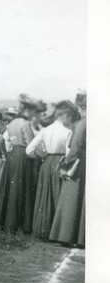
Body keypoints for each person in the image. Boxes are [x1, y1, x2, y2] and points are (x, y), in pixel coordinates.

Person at [27, 101, 79, 240]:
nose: (70, 120)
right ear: (65, 115)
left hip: (47, 163)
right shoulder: (67, 131)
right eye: (70, 117)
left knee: (45, 195)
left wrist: (42, 155)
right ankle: (56, 232)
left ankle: (41, 230)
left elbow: (29, 150)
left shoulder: (45, 130)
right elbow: (69, 153)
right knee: (59, 194)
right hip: (61, 162)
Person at [0, 99, 37, 234]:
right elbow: (30, 142)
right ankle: (21, 224)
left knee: (11, 188)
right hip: (22, 155)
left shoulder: (10, 124)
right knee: (22, 187)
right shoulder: (25, 123)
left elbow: (8, 143)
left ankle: (6, 222)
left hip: (12, 155)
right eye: (31, 111)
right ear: (26, 111)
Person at [49, 94, 86, 247]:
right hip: (84, 164)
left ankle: (66, 236)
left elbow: (75, 148)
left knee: (70, 199)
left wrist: (65, 163)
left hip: (77, 166)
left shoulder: (82, 124)